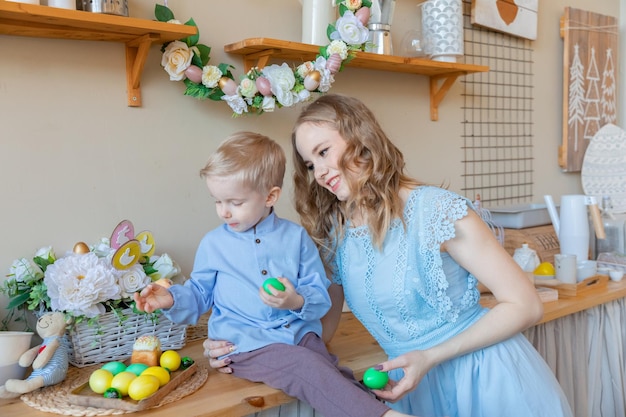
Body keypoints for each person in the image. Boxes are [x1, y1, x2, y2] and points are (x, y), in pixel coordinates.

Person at [205, 96, 574, 417]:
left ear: (361, 139)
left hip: (487, 380)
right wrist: (237, 343)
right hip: (410, 389)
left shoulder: (436, 210)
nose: (319, 173)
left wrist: (430, 357)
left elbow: (526, 305)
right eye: (309, 163)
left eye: (323, 152)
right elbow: (322, 330)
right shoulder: (336, 233)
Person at [133, 132, 413, 417]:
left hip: (301, 338)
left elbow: (319, 293)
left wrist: (296, 301)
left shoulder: (296, 237)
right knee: (307, 368)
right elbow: (198, 294)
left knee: (329, 370)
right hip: (246, 344)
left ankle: (375, 405)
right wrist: (169, 299)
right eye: (217, 201)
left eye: (235, 202)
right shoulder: (213, 244)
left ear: (270, 196)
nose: (224, 213)